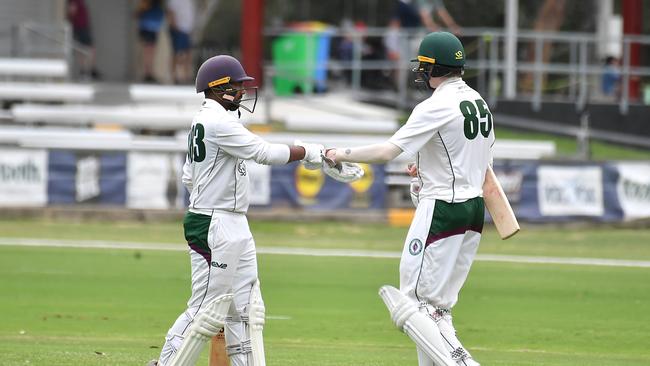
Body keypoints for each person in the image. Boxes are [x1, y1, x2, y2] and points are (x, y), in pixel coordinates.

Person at [325, 32, 491, 366]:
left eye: (424, 65)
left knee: (414, 305)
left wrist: (338, 153)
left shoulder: (435, 105)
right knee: (437, 309)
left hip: (444, 208)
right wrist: (428, 169)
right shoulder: (479, 102)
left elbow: (388, 150)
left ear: (434, 67)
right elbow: (473, 159)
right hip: (474, 210)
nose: (420, 71)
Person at [150, 55, 323, 366]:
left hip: (230, 220)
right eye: (237, 86)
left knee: (245, 309)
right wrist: (310, 151)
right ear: (218, 89)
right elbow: (264, 152)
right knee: (207, 307)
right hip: (216, 222)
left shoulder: (206, 119)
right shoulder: (218, 121)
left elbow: (190, 175)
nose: (243, 92)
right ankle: (166, 363)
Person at [66, 0, 100, 79]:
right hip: (81, 28)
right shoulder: (75, 1)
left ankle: (88, 70)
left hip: (82, 27)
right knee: (85, 49)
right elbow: (72, 11)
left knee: (86, 49)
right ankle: (87, 71)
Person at [167, 0, 196, 84]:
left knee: (188, 54)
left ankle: (186, 76)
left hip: (188, 30)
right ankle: (174, 76)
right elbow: (170, 12)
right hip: (178, 29)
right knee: (176, 53)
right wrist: (174, 26)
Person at [136, 0, 165, 83]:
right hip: (148, 26)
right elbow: (140, 10)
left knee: (151, 51)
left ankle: (149, 72)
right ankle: (147, 73)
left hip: (154, 27)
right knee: (148, 51)